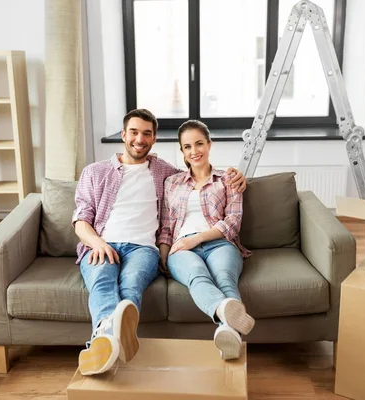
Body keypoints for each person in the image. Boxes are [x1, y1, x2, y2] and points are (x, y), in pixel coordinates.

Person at [72, 109, 247, 375]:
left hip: (143, 249)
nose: (139, 139)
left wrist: (236, 175)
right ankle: (105, 341)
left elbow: (197, 173)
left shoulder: (163, 171)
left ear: (154, 139)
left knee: (131, 285)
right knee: (103, 281)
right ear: (123, 134)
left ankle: (107, 344)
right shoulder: (95, 172)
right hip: (101, 244)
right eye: (134, 132)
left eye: (147, 134)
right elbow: (81, 218)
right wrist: (96, 242)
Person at [158, 120, 254, 361]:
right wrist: (163, 255)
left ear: (209, 145)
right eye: (187, 146)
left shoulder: (227, 179)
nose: (194, 151)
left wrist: (198, 238)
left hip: (220, 244)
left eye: (199, 144)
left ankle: (227, 332)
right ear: (182, 152)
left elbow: (232, 222)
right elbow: (167, 226)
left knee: (224, 278)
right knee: (197, 275)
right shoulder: (172, 182)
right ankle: (226, 317)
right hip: (181, 248)